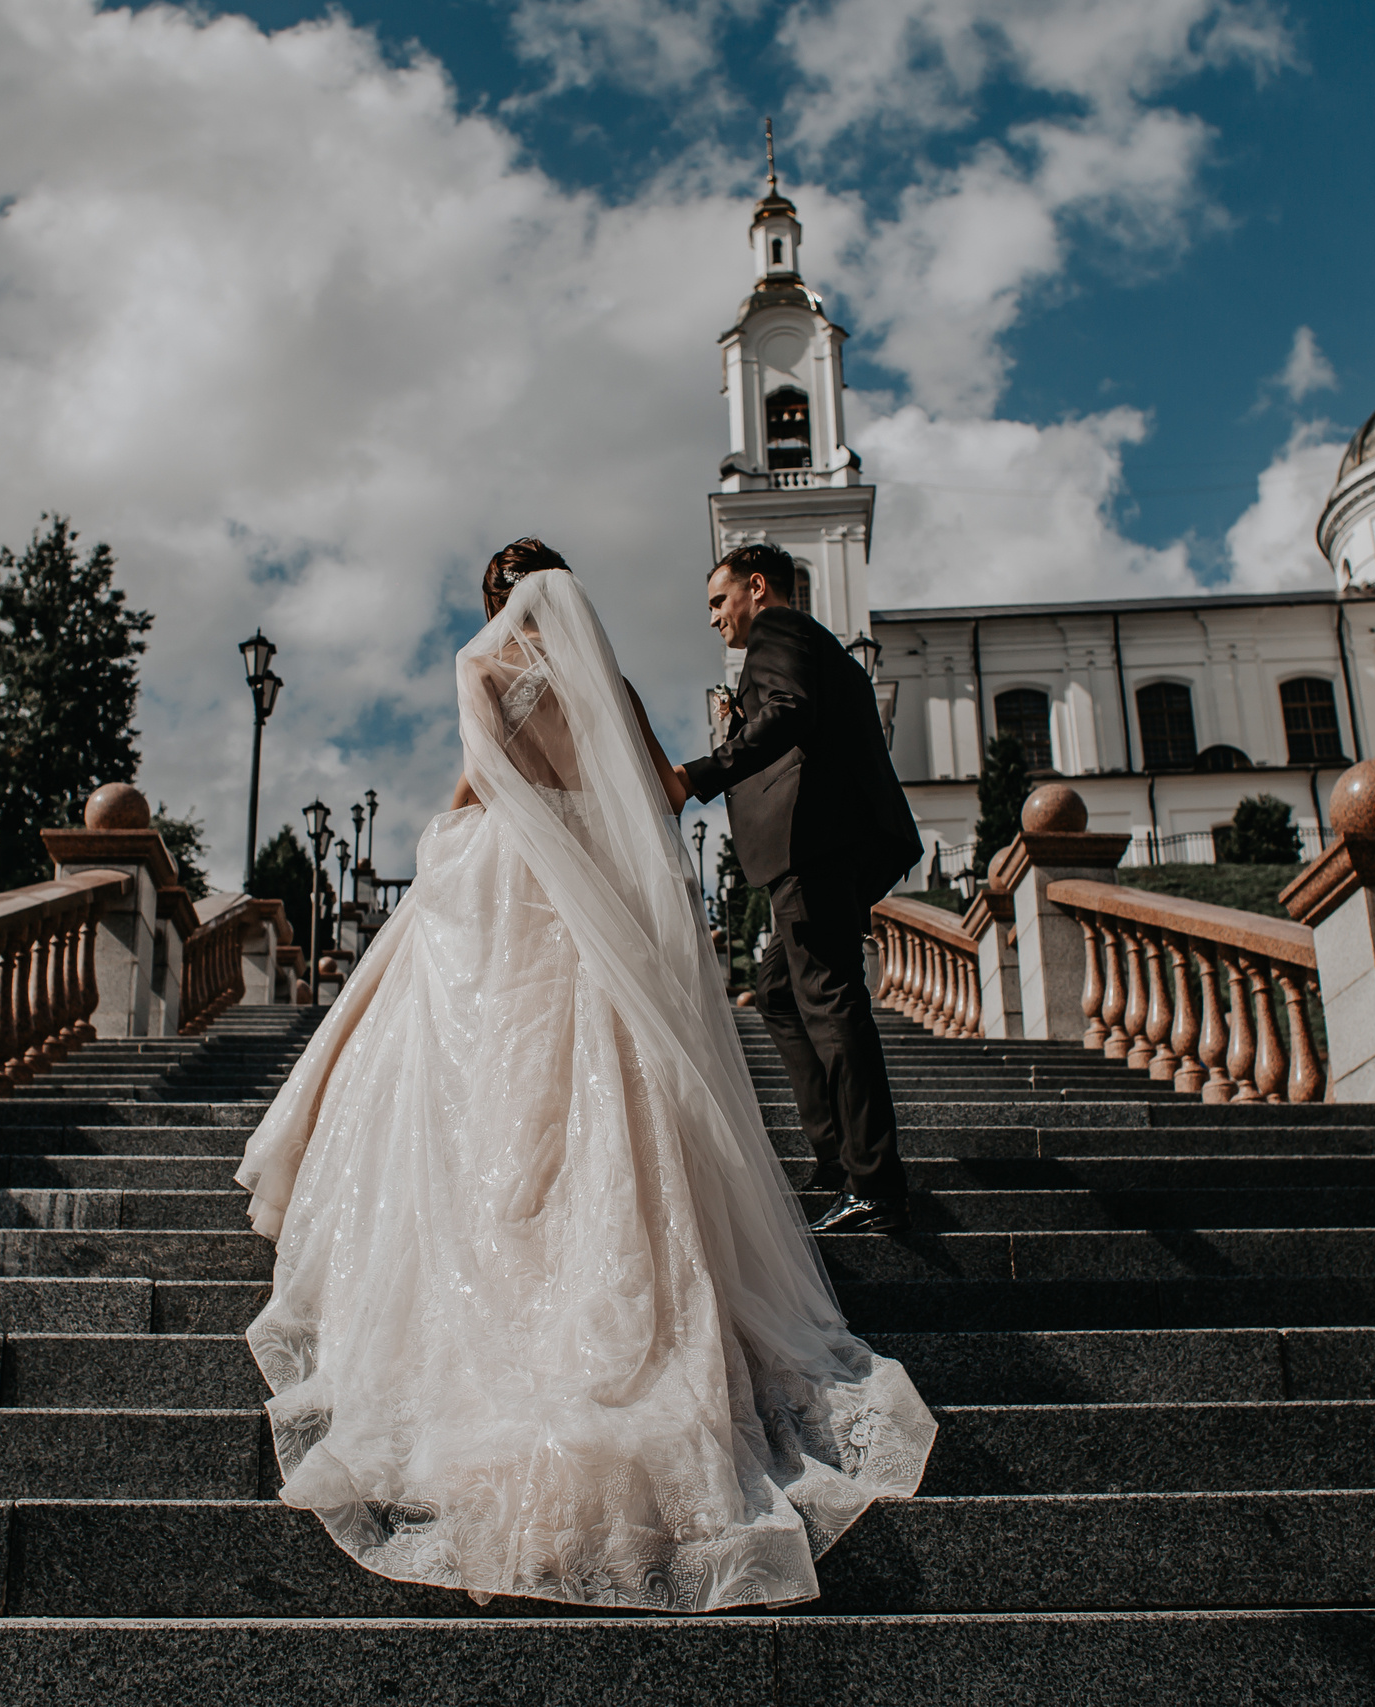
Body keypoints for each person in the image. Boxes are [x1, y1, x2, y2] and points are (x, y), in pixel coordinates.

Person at [237, 537, 933, 1612]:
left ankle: (509, 1226)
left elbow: (481, 780)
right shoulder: (602, 669)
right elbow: (651, 789)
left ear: (493, 602)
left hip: (512, 873)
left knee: (490, 1068)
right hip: (591, 883)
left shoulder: (481, 665)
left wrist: (443, 837)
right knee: (609, 1077)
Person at [673, 544, 925, 1236]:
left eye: (719, 600)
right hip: (826, 846)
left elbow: (789, 710)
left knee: (830, 998)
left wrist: (699, 773)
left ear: (757, 587)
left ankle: (874, 1184)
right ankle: (837, 1156)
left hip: (812, 847)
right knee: (779, 991)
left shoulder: (779, 629)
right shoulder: (815, 645)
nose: (715, 618)